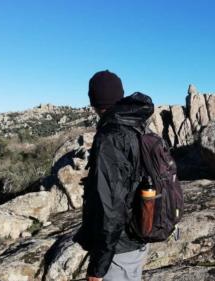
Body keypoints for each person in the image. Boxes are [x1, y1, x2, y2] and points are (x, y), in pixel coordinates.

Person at [73, 70, 154, 281]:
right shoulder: (136, 125)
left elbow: (112, 210)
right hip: (137, 235)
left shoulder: (111, 137)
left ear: (93, 101)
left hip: (120, 248)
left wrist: (97, 269)